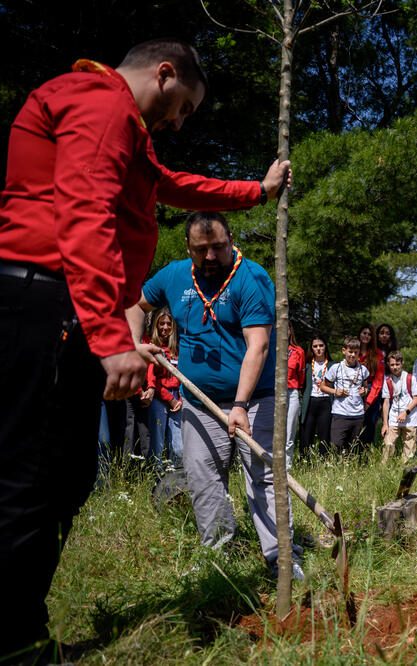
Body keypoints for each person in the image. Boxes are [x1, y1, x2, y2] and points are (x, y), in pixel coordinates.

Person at [0, 38, 290, 661]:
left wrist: (256, 193)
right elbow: (82, 209)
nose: (182, 121)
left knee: (67, 474)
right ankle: (12, 643)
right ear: (165, 73)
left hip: (65, 307)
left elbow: (169, 184)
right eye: (184, 105)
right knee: (30, 474)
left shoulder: (126, 129)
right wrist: (112, 336)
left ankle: (22, 627)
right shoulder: (99, 102)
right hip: (44, 300)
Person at [134, 211, 303, 580]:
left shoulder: (252, 278)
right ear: (187, 247)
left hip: (255, 399)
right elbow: (135, 305)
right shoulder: (175, 275)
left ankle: (282, 558)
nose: (210, 256)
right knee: (202, 476)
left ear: (231, 240)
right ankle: (218, 551)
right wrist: (135, 344)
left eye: (218, 247)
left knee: (264, 476)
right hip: (198, 401)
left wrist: (240, 405)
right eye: (201, 249)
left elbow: (257, 347)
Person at [146, 307, 183, 470]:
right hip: (160, 397)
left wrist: (180, 397)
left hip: (178, 399)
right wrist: (171, 399)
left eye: (169, 324)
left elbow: (184, 376)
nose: (165, 327)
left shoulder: (177, 348)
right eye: (161, 324)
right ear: (156, 325)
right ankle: (156, 481)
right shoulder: (152, 347)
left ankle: (176, 483)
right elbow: (152, 379)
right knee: (158, 443)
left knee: (178, 446)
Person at [322, 336, 370, 455]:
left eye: (355, 352)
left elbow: (366, 387)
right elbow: (323, 386)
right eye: (350, 352)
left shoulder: (363, 369)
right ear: (344, 351)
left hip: (357, 414)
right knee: (336, 444)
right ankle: (337, 468)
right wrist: (335, 391)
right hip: (340, 413)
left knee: (353, 447)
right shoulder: (336, 368)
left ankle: (349, 470)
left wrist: (364, 391)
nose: (352, 355)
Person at [380, 351, 417, 464]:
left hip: (410, 419)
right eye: (392, 364)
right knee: (388, 444)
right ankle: (383, 472)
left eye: (397, 364)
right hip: (394, 419)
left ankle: (405, 472)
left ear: (402, 363)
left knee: (409, 449)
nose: (395, 367)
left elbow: (416, 399)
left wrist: (405, 412)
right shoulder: (388, 381)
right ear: (388, 364)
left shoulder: (410, 378)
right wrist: (385, 423)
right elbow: (386, 402)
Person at [299, 336, 332, 458]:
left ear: (325, 347)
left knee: (324, 434)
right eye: (315, 346)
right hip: (311, 401)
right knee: (306, 433)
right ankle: (304, 461)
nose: (318, 349)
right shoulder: (307, 365)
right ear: (311, 348)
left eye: (321, 345)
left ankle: (324, 461)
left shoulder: (332, 365)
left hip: (326, 402)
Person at [357, 323, 385, 448]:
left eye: (369, 334)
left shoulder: (377, 354)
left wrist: (368, 401)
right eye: (364, 333)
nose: (366, 336)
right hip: (354, 390)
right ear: (359, 334)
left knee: (368, 426)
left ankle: (365, 456)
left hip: (371, 391)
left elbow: (379, 380)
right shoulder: (353, 351)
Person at [285, 324, 305, 466]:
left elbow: (301, 375)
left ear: (290, 331)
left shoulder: (298, 351)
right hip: (272, 394)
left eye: (286, 328)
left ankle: (287, 469)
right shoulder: (271, 347)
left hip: (292, 393)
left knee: (289, 433)